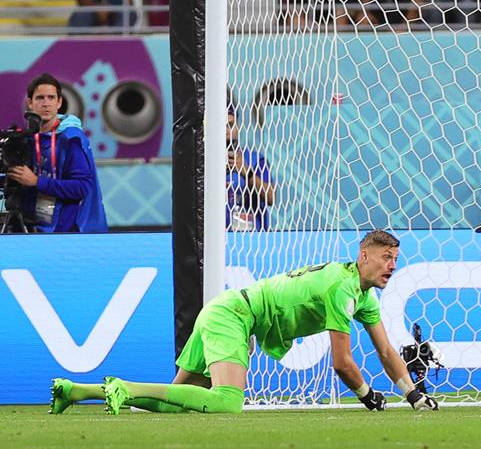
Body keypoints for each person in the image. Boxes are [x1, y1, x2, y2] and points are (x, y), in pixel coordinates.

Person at [49, 230, 439, 415]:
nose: (392, 265)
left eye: (395, 259)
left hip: (229, 311)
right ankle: (125, 386)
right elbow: (342, 362)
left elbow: (385, 349)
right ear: (363, 256)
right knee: (228, 402)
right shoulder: (342, 288)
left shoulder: (364, 296)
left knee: (175, 403)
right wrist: (368, 395)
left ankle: (75, 391)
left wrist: (412, 394)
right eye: (386, 257)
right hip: (233, 316)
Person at [6, 74, 107, 233]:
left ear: (59, 102)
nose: (46, 103)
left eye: (51, 97)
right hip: (33, 227)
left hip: (66, 231)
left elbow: (82, 187)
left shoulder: (70, 138)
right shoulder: (27, 140)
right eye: (40, 98)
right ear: (30, 103)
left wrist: (37, 181)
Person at [226, 107, 274, 231]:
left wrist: (247, 172)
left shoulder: (255, 160)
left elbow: (270, 198)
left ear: (238, 128)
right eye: (221, 126)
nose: (226, 131)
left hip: (250, 238)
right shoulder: (204, 163)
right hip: (216, 238)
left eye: (230, 125)